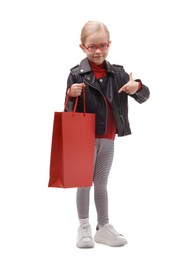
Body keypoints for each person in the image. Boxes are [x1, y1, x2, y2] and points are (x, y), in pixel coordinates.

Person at [65, 20, 150, 248]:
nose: (98, 51)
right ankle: (83, 226)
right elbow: (68, 112)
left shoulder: (119, 74)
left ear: (109, 44)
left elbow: (145, 95)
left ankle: (103, 227)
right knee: (83, 182)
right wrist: (71, 95)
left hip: (108, 138)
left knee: (101, 182)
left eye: (102, 45)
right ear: (83, 47)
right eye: (92, 46)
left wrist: (138, 87)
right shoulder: (76, 75)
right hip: (84, 139)